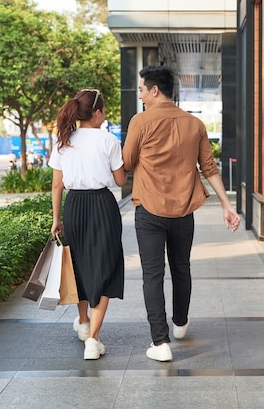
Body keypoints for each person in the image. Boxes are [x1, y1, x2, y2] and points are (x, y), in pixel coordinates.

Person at [123, 65, 241, 362]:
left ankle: (160, 343)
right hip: (184, 211)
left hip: (149, 210)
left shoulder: (140, 122)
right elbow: (209, 169)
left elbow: (126, 163)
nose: (140, 95)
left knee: (152, 275)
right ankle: (180, 322)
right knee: (181, 268)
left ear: (154, 90)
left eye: (141, 90)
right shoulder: (195, 124)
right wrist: (227, 206)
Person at [49, 89, 126, 360]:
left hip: (74, 207)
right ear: (97, 113)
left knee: (78, 265)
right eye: (103, 112)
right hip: (102, 206)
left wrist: (57, 219)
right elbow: (120, 181)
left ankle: (83, 323)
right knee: (106, 266)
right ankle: (92, 339)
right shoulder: (108, 140)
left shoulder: (63, 140)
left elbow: (57, 185)